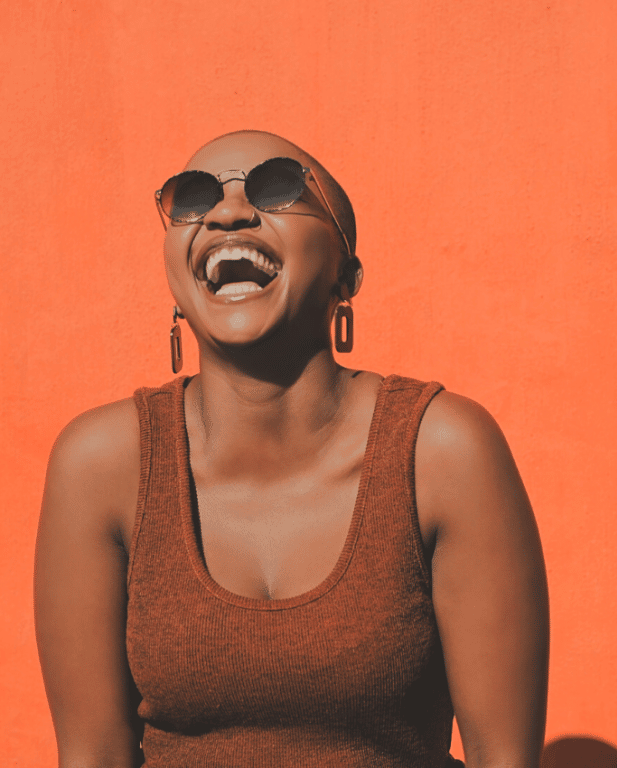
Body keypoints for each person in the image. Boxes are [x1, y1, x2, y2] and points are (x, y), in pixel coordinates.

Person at [34, 130, 549, 768]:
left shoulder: (441, 453)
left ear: (346, 273)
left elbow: (505, 757)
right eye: (192, 198)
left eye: (278, 186)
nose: (226, 213)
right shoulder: (102, 465)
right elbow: (92, 755)